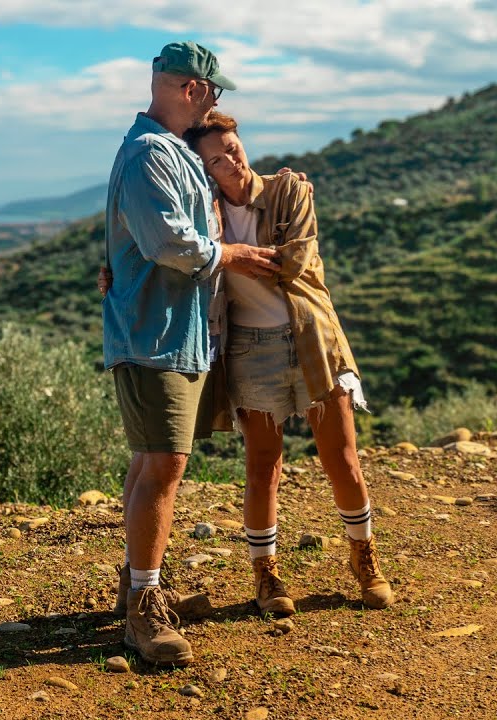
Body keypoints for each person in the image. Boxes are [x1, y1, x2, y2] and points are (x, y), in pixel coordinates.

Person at [107, 111, 395, 616]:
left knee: (343, 459)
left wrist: (219, 255)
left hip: (312, 339)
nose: (231, 161)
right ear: (203, 171)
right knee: (263, 467)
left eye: (233, 148)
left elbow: (297, 259)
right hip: (248, 349)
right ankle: (267, 577)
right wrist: (123, 267)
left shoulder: (288, 191)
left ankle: (364, 559)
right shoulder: (205, 213)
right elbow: (158, 240)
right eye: (215, 159)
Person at [102, 41, 280, 666]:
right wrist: (231, 254)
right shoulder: (152, 155)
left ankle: (137, 586)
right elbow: (171, 244)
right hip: (156, 336)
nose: (216, 101)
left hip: (170, 333)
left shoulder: (169, 152)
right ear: (194, 90)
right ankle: (143, 615)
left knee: (151, 461)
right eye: (214, 91)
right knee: (163, 467)